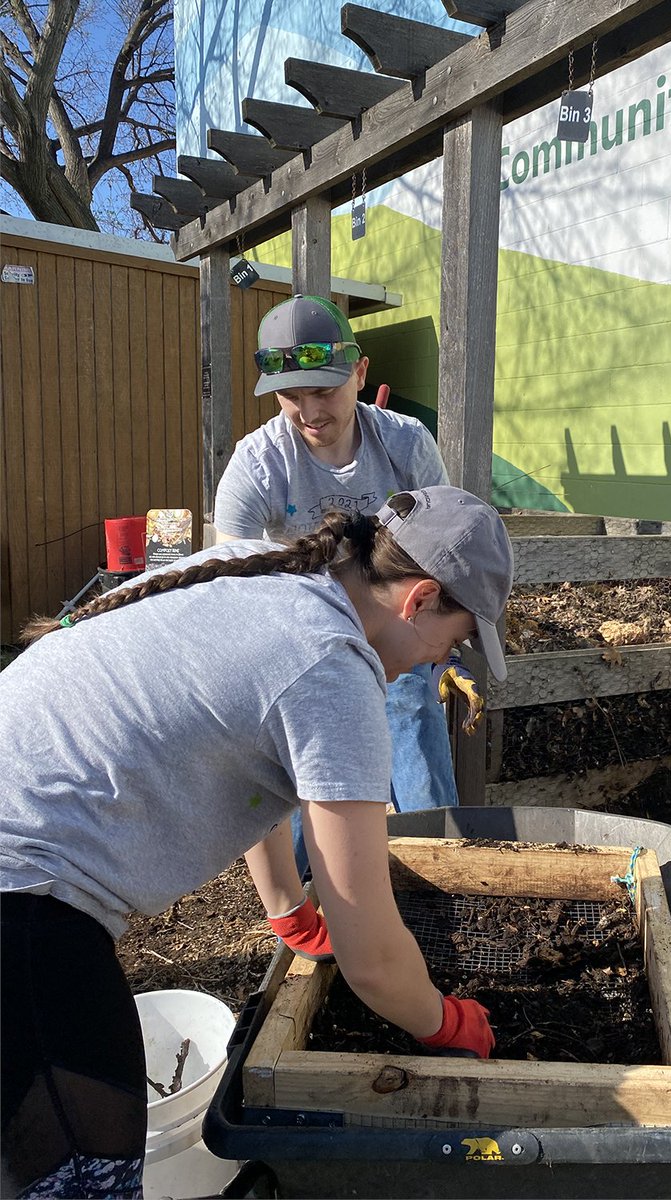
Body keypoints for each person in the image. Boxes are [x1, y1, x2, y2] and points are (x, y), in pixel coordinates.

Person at [0, 485, 513, 1199]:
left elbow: (255, 771)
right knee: (84, 1182)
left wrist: (287, 908)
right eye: (451, 643)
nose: (437, 663)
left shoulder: (264, 572)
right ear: (420, 599)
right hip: (22, 904)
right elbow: (371, 957)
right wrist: (446, 1021)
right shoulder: (332, 665)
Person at [214, 294, 483, 871]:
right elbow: (231, 589)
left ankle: (439, 863)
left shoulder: (405, 444)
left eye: (324, 391)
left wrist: (446, 651)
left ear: (359, 373)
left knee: (411, 703)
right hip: (299, 640)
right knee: (306, 752)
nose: (309, 412)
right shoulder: (258, 464)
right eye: (291, 395)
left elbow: (444, 553)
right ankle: (306, 881)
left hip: (391, 626)